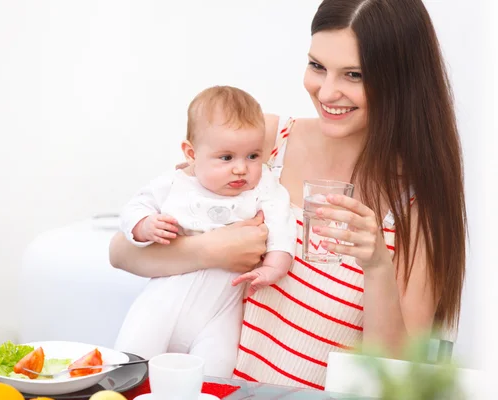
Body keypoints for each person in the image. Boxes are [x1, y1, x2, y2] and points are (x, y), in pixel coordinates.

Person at [109, 0, 466, 390]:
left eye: (354, 74)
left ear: (400, 79)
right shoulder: (261, 145)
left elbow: (399, 379)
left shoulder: (415, 206)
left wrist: (378, 267)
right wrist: (211, 250)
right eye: (317, 66)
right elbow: (122, 252)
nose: (327, 91)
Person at [114, 86, 296, 378]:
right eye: (226, 158)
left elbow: (282, 222)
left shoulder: (264, 188)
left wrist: (275, 264)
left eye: (252, 156)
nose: (241, 169)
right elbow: (134, 208)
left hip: (221, 310)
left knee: (216, 372)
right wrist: (145, 225)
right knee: (133, 362)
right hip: (164, 301)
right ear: (191, 153)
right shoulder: (174, 183)